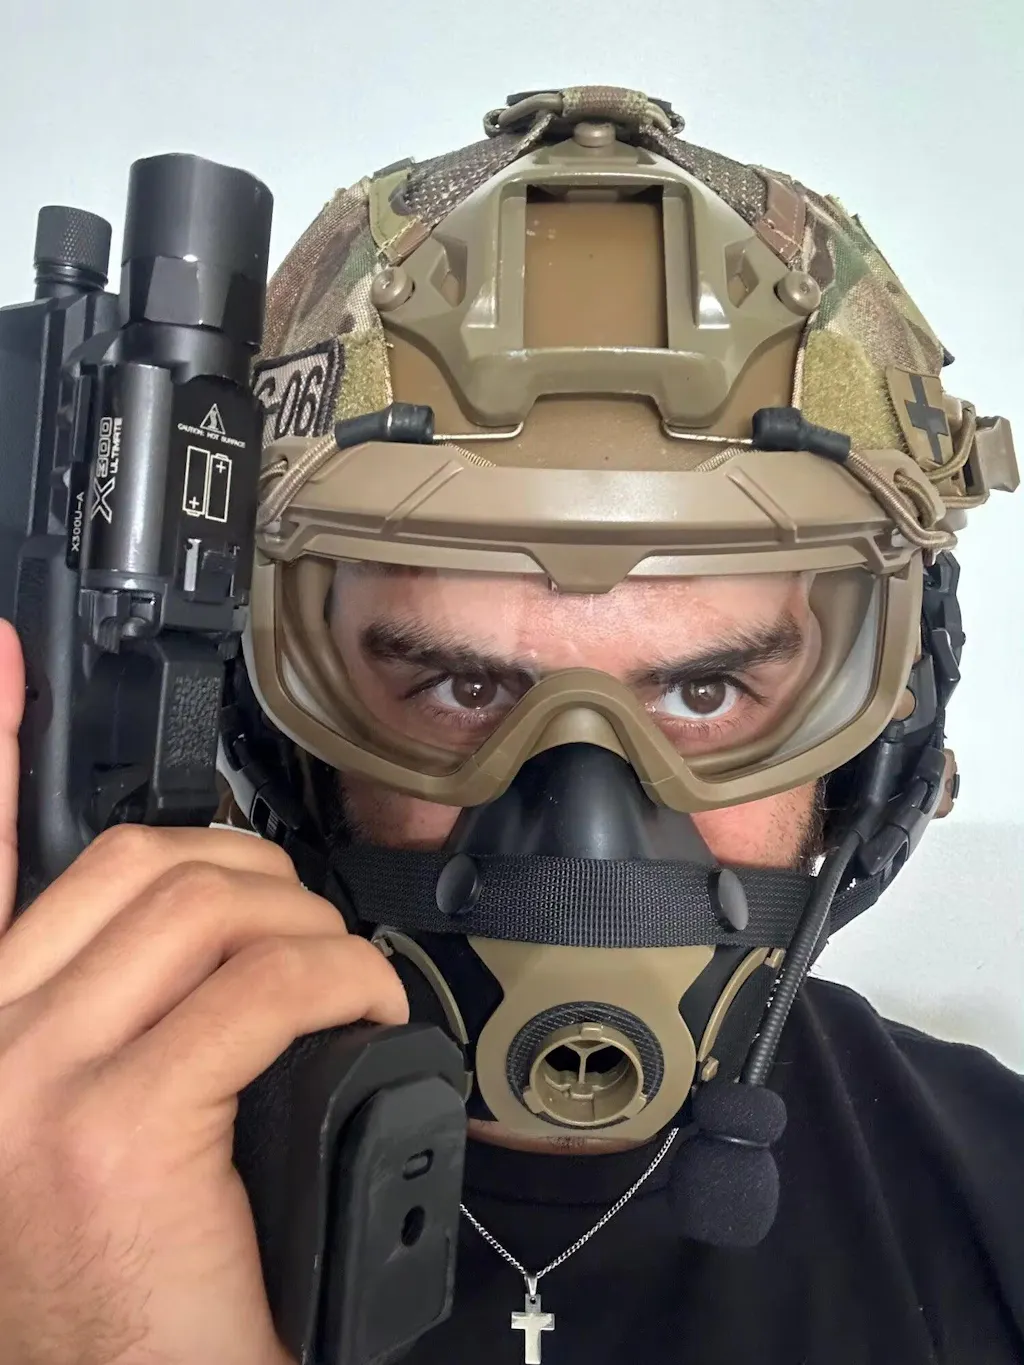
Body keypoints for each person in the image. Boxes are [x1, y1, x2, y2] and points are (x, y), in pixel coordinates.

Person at [1, 83, 1022, 1365]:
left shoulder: (998, 1201)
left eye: (704, 692)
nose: (581, 825)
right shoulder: (32, 1175)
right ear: (269, 724)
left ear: (884, 740)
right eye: (461, 687)